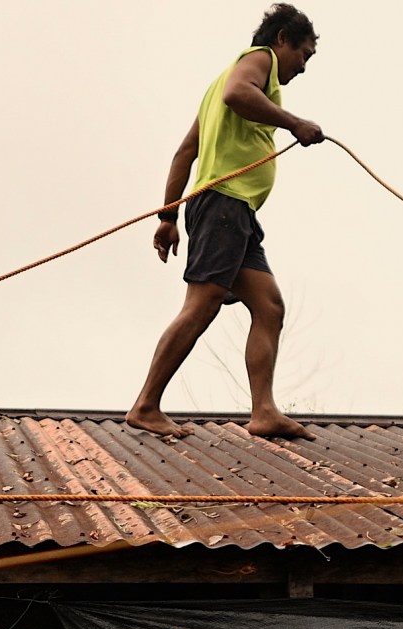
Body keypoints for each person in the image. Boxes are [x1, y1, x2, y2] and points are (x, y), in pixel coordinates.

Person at [126, 4, 325, 441]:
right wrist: (293, 124)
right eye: (304, 54)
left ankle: (264, 412)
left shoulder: (218, 85)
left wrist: (168, 217)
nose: (304, 67)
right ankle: (145, 405)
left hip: (233, 213)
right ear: (282, 40)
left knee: (269, 306)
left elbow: (184, 152)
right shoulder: (257, 63)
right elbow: (240, 93)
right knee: (203, 304)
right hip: (223, 206)